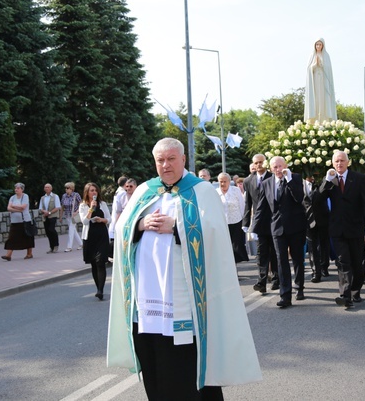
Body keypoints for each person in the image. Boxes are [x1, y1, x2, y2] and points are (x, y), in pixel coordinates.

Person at [107, 138, 262, 398]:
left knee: (186, 368)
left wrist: (178, 226)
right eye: (160, 160)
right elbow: (122, 227)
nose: (165, 165)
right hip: (147, 305)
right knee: (154, 363)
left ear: (183, 160)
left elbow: (214, 234)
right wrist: (141, 223)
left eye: (171, 159)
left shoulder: (201, 191)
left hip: (186, 305)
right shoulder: (146, 190)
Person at [319, 151, 365, 308]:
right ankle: (345, 295)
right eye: (336, 161)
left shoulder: (359, 178)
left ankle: (355, 290)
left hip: (356, 227)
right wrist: (326, 182)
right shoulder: (329, 180)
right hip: (337, 229)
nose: (339, 164)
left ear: (348, 162)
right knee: (343, 262)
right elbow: (318, 199)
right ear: (332, 163)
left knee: (358, 264)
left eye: (342, 161)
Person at [253, 156, 308, 308]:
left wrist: (289, 179)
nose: (278, 170)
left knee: (297, 258)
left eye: (280, 166)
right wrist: (254, 228)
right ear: (270, 169)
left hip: (296, 226)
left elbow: (299, 198)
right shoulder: (266, 183)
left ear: (286, 166)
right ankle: (285, 295)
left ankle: (299, 287)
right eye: (275, 167)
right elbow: (261, 207)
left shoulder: (295, 178)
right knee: (281, 260)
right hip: (277, 228)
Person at [242, 154, 278, 293]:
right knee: (261, 253)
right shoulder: (248, 180)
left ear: (266, 163)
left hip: (274, 219)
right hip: (259, 222)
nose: (258, 165)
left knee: (275, 252)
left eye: (261, 162)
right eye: (256, 163)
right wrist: (246, 222)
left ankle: (276, 279)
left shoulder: (272, 176)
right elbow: (248, 203)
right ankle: (261, 281)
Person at [78, 183, 110, 300]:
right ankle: (98, 288)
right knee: (93, 264)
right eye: (91, 191)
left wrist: (101, 219)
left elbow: (109, 219)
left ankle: (101, 290)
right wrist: (91, 208)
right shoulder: (82, 206)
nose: (94, 192)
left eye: (95, 190)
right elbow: (85, 221)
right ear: (87, 192)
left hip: (101, 235)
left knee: (100, 262)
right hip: (90, 236)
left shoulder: (103, 204)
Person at [217, 172, 249, 264]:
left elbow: (242, 205)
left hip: (236, 222)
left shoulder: (235, 190)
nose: (222, 184)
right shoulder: (216, 192)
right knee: (224, 248)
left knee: (236, 248)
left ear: (229, 181)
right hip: (222, 224)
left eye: (225, 181)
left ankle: (234, 270)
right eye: (220, 181)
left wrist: (244, 221)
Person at [304, 38, 337, 124]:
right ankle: (314, 120)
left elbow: (329, 69)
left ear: (323, 45)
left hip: (323, 81)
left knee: (323, 99)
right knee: (315, 99)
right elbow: (308, 69)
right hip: (314, 80)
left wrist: (322, 65)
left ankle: (324, 121)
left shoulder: (326, 56)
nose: (318, 46)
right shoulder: (312, 55)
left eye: (320, 44)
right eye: (317, 44)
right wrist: (315, 64)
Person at [1, 183, 34, 261]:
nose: (16, 189)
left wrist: (14, 207)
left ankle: (29, 253)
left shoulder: (25, 196)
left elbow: (23, 207)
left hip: (25, 220)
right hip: (14, 221)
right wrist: (17, 210)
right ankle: (8, 255)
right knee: (11, 237)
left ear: (22, 189)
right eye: (15, 188)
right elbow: (8, 208)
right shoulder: (12, 198)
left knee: (27, 237)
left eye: (18, 188)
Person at [109, 179, 137, 262]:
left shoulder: (139, 195)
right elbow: (118, 212)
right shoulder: (121, 196)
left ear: (135, 186)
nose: (128, 188)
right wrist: (117, 227)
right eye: (127, 186)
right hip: (125, 224)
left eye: (131, 186)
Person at [39, 183, 61, 254]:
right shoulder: (43, 198)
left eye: (48, 187)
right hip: (45, 217)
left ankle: (56, 245)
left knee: (51, 229)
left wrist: (49, 212)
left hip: (53, 215)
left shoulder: (55, 196)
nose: (46, 188)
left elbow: (57, 207)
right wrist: (44, 211)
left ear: (51, 189)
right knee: (47, 232)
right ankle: (51, 247)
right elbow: (40, 208)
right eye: (45, 187)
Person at [61, 182, 83, 252]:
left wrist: (76, 212)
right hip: (67, 215)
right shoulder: (64, 196)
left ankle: (69, 246)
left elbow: (81, 204)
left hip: (74, 216)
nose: (66, 190)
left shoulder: (76, 195)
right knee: (73, 230)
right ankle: (81, 244)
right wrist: (60, 216)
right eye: (65, 188)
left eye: (68, 188)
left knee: (70, 230)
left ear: (72, 189)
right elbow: (62, 207)